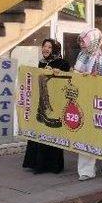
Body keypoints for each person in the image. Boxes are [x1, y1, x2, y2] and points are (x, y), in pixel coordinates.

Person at [23, 39, 70, 174]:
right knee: (39, 131)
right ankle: (37, 164)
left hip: (54, 104)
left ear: (55, 49)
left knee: (51, 133)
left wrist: (58, 72)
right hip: (41, 101)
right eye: (44, 46)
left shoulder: (63, 63)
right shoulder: (41, 62)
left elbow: (67, 81)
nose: (46, 49)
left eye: (49, 47)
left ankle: (52, 166)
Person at [73, 28, 102, 181]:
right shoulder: (81, 55)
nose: (82, 44)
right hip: (82, 99)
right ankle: (86, 171)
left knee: (95, 135)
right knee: (84, 135)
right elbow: (76, 74)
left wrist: (93, 78)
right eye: (81, 41)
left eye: (85, 41)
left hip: (96, 102)